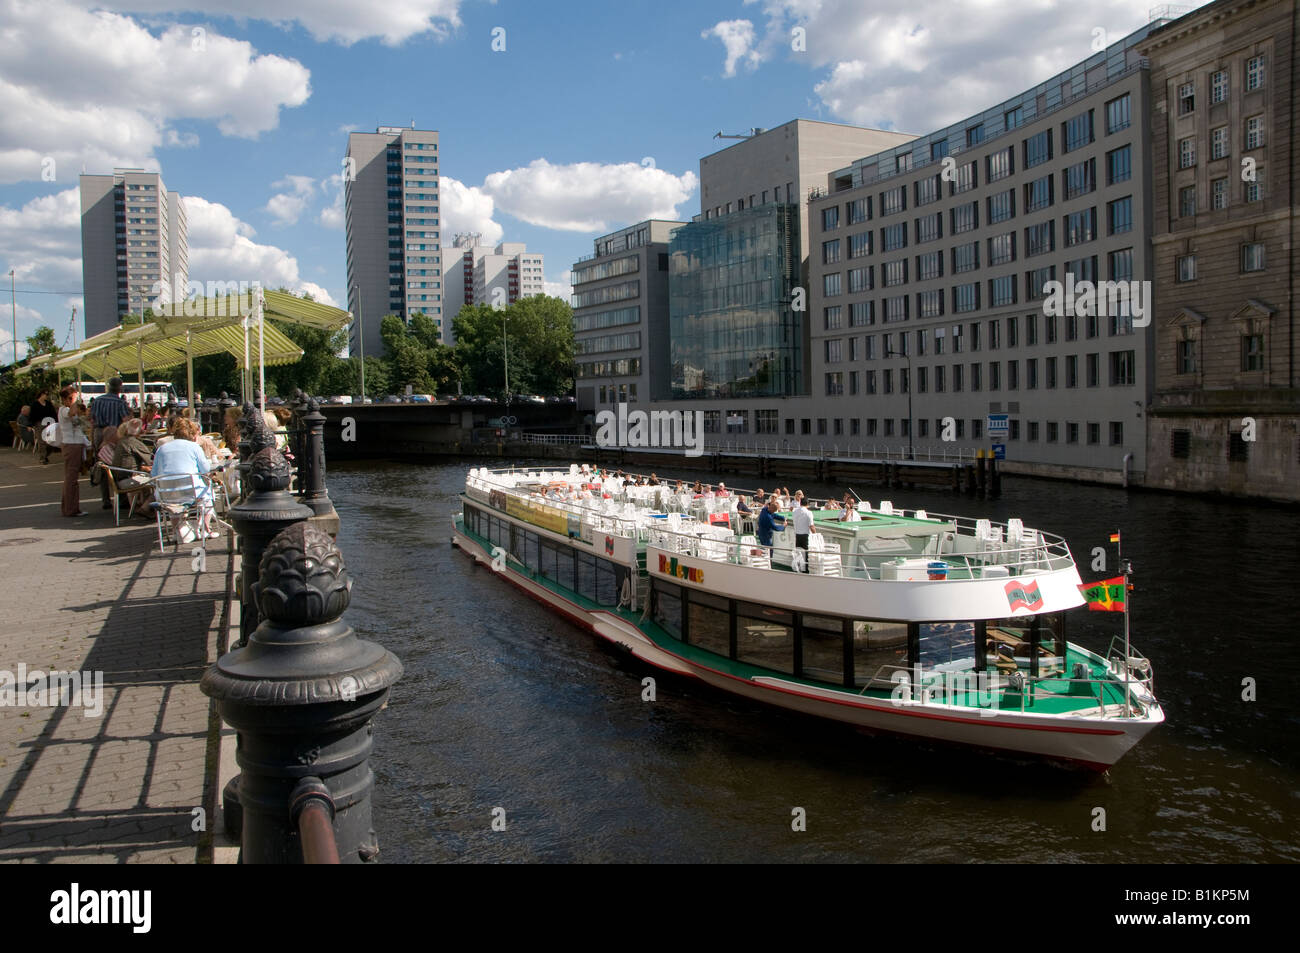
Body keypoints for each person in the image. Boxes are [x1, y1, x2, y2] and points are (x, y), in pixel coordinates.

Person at [151, 416, 216, 539]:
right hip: (191, 492)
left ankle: (177, 530)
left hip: (166, 494)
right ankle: (205, 528)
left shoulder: (161, 449)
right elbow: (206, 469)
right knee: (210, 492)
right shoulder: (194, 447)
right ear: (192, 434)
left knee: (173, 499)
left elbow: (154, 474)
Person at [57, 385, 91, 517]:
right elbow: (71, 413)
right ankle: (71, 509)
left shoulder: (66, 410)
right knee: (71, 478)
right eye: (72, 398)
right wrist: (74, 400)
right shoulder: (64, 410)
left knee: (71, 478)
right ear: (67, 399)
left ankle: (70, 507)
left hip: (74, 445)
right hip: (72, 445)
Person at [113, 418, 154, 513]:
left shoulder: (121, 442)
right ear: (139, 430)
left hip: (118, 479)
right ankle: (146, 507)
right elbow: (150, 460)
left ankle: (143, 506)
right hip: (127, 480)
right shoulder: (133, 442)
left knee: (147, 475)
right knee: (158, 481)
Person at [90, 376, 130, 467]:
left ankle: (98, 478)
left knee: (99, 459)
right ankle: (110, 478)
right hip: (113, 433)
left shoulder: (97, 400)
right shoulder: (120, 402)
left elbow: (92, 420)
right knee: (111, 459)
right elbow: (125, 421)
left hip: (98, 432)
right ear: (120, 387)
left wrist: (92, 437)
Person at [791, 494, 818, 572]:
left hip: (797, 534)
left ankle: (797, 568)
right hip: (805, 535)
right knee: (805, 553)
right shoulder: (809, 513)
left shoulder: (795, 512)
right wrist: (815, 535)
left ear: (800, 503)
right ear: (808, 504)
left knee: (798, 552)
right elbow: (811, 526)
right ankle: (805, 570)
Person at [31, 389, 58, 464]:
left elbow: (53, 413)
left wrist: (55, 422)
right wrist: (33, 424)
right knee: (42, 441)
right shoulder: (35, 404)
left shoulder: (48, 404)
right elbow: (32, 415)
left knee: (50, 441)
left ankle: (46, 455)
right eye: (45, 394)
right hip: (39, 424)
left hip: (49, 423)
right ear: (41, 395)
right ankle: (42, 458)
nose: (46, 396)